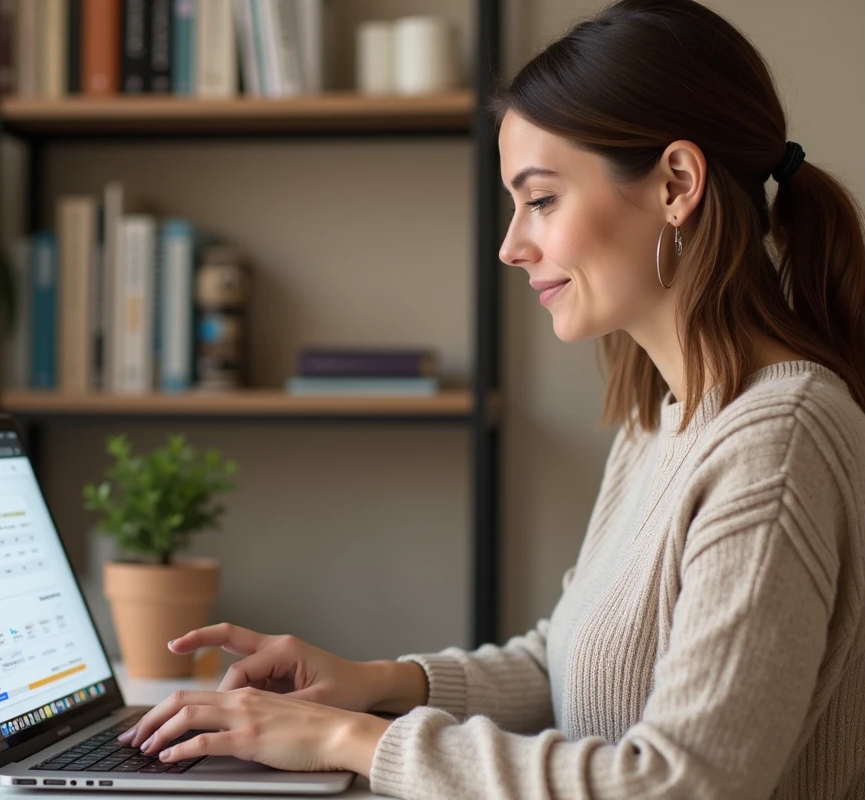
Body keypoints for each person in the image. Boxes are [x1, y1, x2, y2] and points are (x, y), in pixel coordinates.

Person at [117, 0, 865, 796]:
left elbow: (680, 785)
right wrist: (381, 682)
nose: (512, 245)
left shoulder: (775, 444)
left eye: (540, 199)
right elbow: (568, 660)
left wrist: (352, 740)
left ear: (677, 183)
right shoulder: (668, 416)